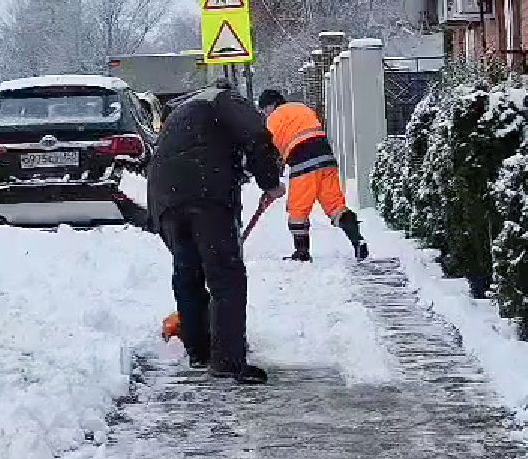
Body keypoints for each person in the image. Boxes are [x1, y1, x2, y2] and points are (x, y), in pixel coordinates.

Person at [136, 81, 284, 384]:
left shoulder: (181, 112)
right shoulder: (226, 100)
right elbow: (256, 136)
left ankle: (199, 351)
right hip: (206, 192)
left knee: (188, 273)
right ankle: (228, 360)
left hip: (165, 197)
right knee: (225, 275)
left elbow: (196, 151)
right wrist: (269, 180)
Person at [257, 89, 369, 263]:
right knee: (336, 207)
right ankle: (357, 240)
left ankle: (301, 253)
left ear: (271, 105)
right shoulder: (302, 108)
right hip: (327, 160)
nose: (265, 114)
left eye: (265, 109)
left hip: (303, 165)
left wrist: (271, 181)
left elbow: (271, 154)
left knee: (297, 211)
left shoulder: (273, 120)